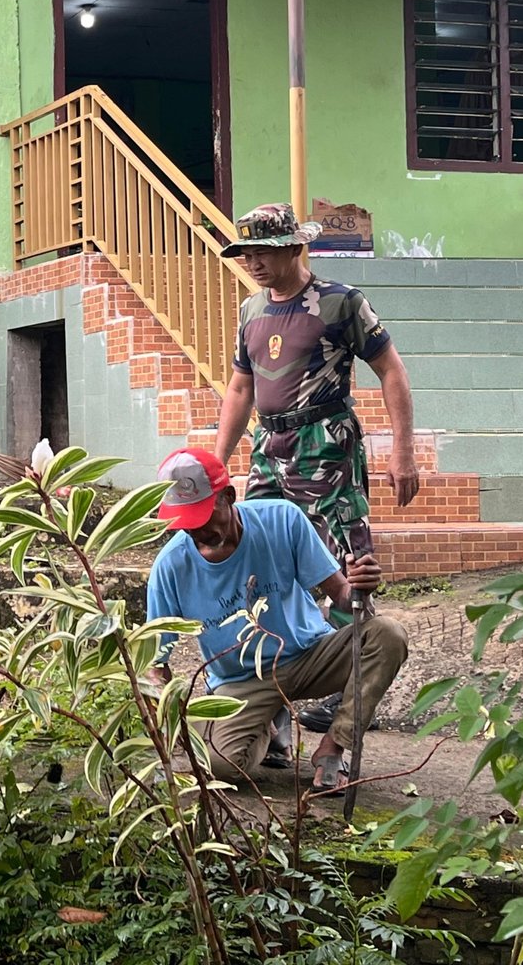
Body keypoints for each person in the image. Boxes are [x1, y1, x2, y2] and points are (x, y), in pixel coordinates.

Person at [213, 202, 418, 735]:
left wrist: (402, 452)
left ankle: (349, 690)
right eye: (247, 252)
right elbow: (240, 388)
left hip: (327, 443)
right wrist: (216, 462)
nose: (254, 262)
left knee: (347, 563)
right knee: (254, 558)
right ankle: (271, 692)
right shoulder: (250, 311)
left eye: (264, 250)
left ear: (294, 247)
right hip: (269, 445)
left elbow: (391, 370)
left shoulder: (340, 303)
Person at [145, 448, 408, 793]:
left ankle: (332, 748)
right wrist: (170, 731)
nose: (197, 530)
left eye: (204, 516)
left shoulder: (282, 520)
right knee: (219, 767)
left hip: (310, 654)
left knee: (387, 635)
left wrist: (362, 586)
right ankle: (267, 727)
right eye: (185, 522)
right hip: (241, 681)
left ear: (228, 496)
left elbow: (343, 595)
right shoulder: (170, 566)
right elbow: (155, 665)